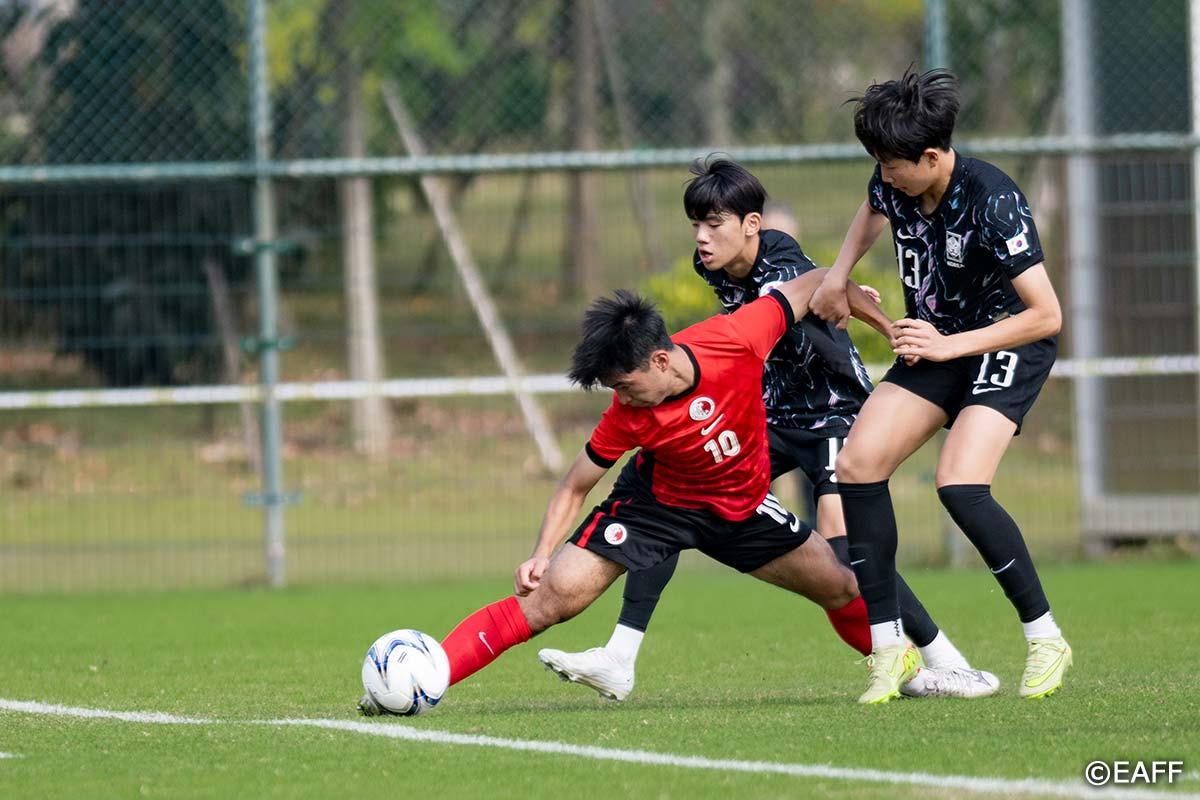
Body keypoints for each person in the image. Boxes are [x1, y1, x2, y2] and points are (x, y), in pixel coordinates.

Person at [537, 157, 998, 703]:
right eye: (697, 226)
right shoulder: (711, 266)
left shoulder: (777, 260)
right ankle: (620, 655)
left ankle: (947, 660)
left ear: (750, 226)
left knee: (844, 549)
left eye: (715, 225)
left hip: (832, 411)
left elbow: (825, 285)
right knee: (669, 493)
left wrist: (884, 324)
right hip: (774, 412)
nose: (703, 239)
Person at [360, 264, 892, 716]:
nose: (621, 398)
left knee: (841, 588)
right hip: (655, 508)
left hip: (742, 509)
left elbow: (819, 280)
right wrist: (540, 554)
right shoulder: (626, 415)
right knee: (552, 601)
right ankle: (429, 678)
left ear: (660, 359)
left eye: (624, 384)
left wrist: (888, 328)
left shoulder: (737, 338)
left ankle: (909, 669)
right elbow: (576, 484)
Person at [808, 68, 1070, 704]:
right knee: (858, 465)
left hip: (1004, 340)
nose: (884, 175)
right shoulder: (892, 176)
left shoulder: (992, 196)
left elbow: (1046, 314)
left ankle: (1045, 637)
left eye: (893, 164)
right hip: (939, 342)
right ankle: (891, 646)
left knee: (959, 484)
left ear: (931, 156)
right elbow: (873, 207)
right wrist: (838, 274)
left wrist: (950, 345)